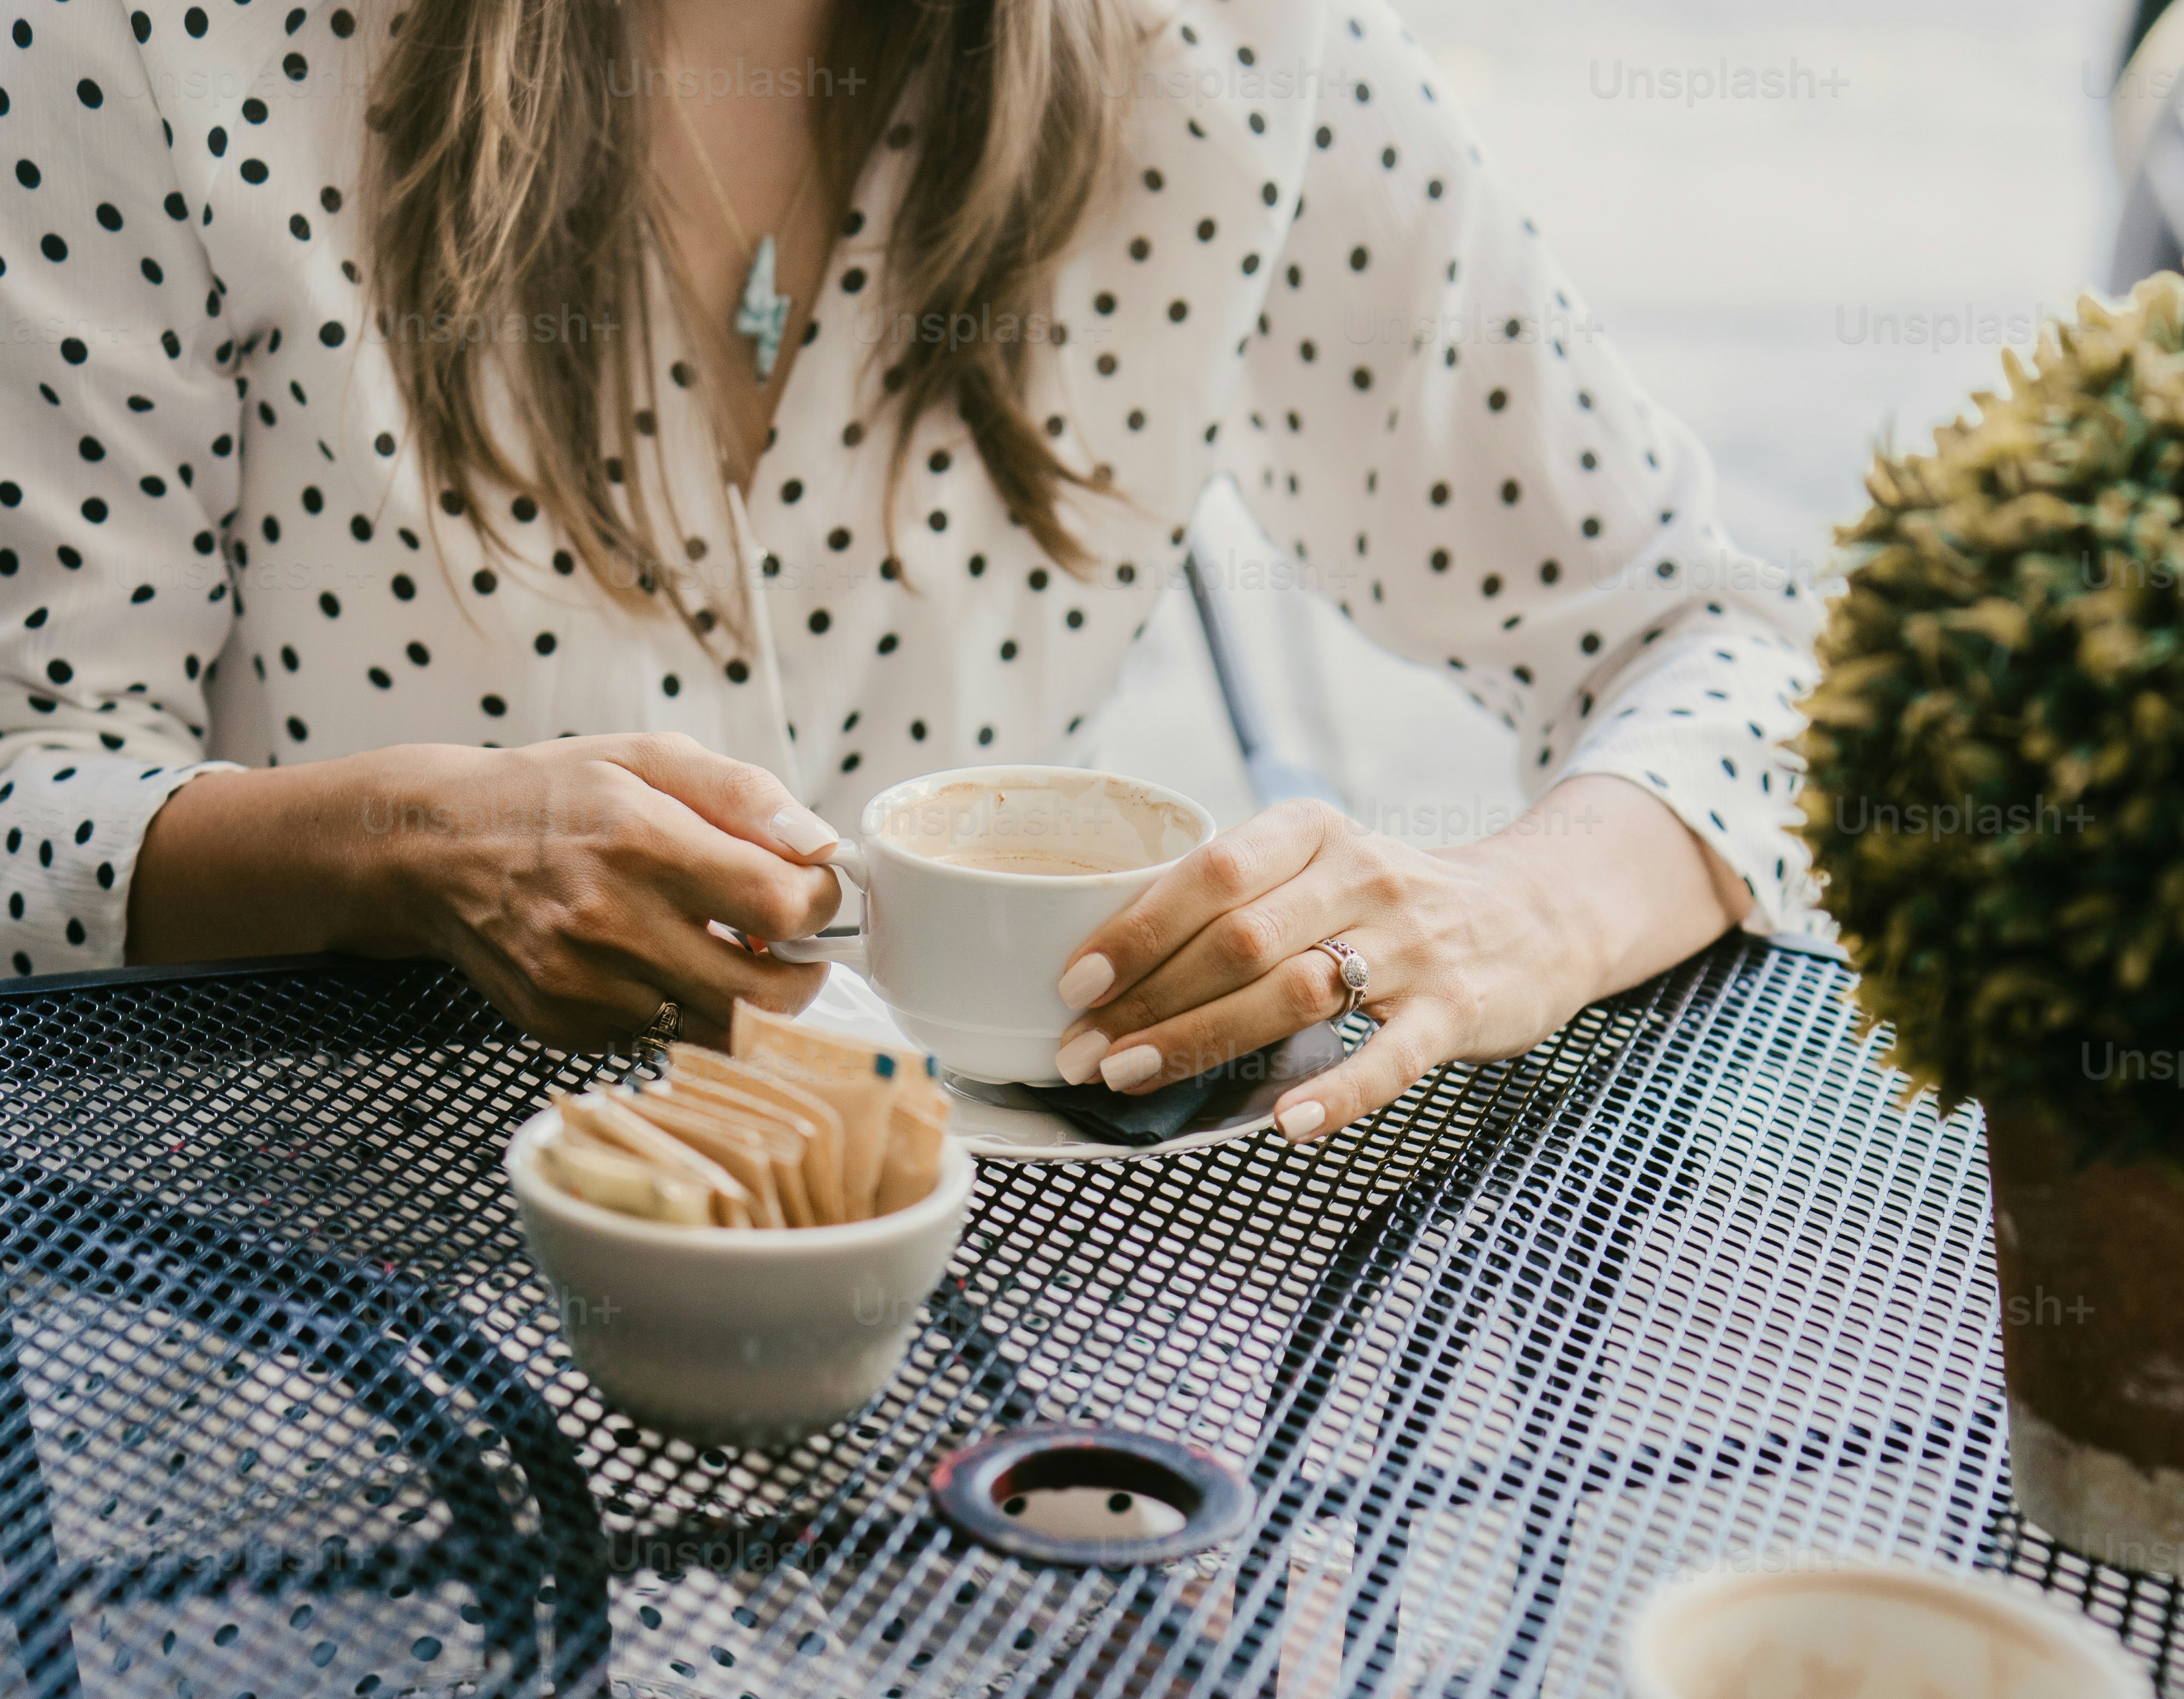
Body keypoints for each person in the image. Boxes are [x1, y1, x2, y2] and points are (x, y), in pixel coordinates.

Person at [2, 0, 1814, 1143]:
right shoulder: (148, 46)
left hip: (987, 1361)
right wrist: (392, 853)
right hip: (321, 1355)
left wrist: (1518, 912)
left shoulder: (1249, 55)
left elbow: (1728, 648)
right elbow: (30, 806)